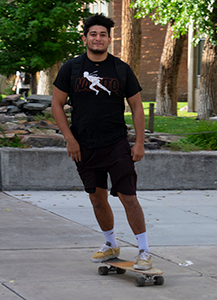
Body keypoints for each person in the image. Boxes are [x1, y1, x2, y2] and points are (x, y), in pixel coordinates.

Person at [51, 14, 151, 270]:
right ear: (85, 38)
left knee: (128, 197)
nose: (98, 38)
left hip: (116, 144)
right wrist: (70, 140)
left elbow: (137, 107)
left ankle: (144, 251)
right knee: (97, 198)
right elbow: (57, 104)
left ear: (109, 39)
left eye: (103, 34)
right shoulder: (71, 68)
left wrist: (139, 142)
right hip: (84, 146)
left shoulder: (120, 69)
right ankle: (110, 244)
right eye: (93, 34)